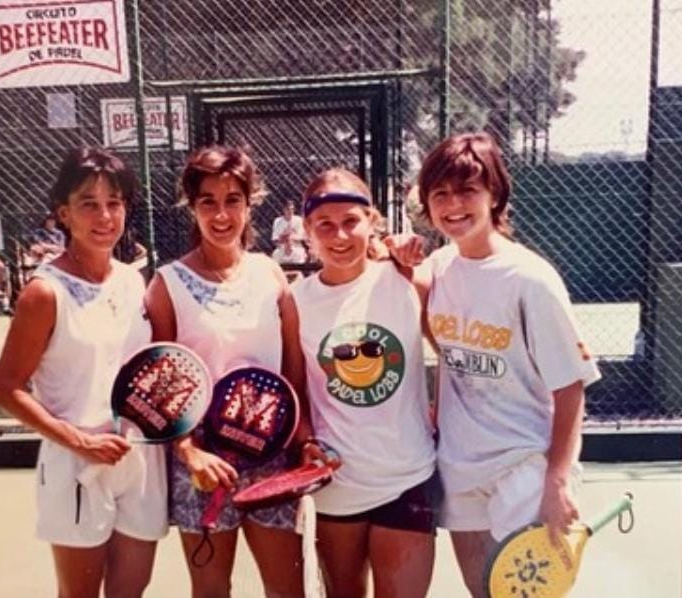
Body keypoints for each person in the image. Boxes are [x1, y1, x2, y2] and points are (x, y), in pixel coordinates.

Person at [395, 132, 601, 598]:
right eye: (440, 194)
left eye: (468, 190)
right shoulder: (442, 267)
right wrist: (399, 253)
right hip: (460, 464)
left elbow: (570, 389)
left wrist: (556, 484)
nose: (453, 205)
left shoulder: (530, 279)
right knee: (482, 590)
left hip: (521, 466)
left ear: (494, 195)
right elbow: (415, 300)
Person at [0, 147, 167, 598]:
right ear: (63, 214)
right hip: (75, 462)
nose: (104, 215)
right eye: (89, 203)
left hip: (138, 458)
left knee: (131, 591)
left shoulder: (132, 281)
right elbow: (7, 389)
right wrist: (80, 441)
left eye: (115, 202)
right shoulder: (44, 293)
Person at [145, 146, 308, 598]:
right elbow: (162, 387)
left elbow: (292, 370)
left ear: (250, 202)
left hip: (270, 459)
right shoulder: (166, 284)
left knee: (286, 590)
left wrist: (303, 442)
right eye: (208, 202)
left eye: (233, 199)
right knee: (212, 591)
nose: (221, 214)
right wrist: (188, 452)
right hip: (203, 463)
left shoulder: (270, 274)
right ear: (191, 207)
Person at [291, 168, 440, 598]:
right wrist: (305, 441)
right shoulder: (296, 302)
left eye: (351, 222)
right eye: (325, 225)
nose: (339, 235)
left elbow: (457, 351)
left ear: (373, 220)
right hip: (337, 485)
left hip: (407, 475)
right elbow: (297, 387)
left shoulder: (409, 278)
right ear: (308, 231)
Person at [271, 199, 307, 265]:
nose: (290, 211)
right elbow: (275, 239)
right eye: (288, 209)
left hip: (296, 247)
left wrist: (289, 237)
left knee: (300, 254)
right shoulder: (277, 221)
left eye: (292, 209)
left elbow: (301, 237)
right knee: (275, 254)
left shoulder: (298, 220)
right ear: (283, 209)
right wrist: (284, 239)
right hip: (282, 248)